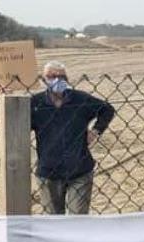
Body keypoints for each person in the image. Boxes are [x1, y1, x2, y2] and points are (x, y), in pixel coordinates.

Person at [31, 61, 115, 214]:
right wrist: (4, 97)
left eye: (61, 76)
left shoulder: (80, 100)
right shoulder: (35, 103)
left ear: (67, 79)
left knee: (78, 220)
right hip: (49, 171)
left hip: (80, 169)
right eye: (51, 76)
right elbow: (17, 121)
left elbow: (107, 109)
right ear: (43, 79)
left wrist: (96, 131)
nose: (56, 80)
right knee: (53, 221)